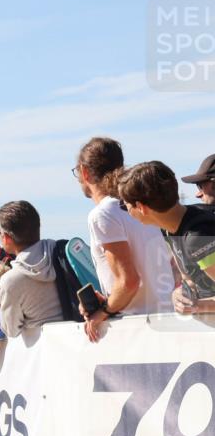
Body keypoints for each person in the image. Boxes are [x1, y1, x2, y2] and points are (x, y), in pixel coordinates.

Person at [74, 138, 174, 342]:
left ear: (84, 172)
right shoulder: (139, 207)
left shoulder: (102, 214)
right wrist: (108, 301)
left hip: (135, 330)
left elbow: (129, 282)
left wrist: (103, 310)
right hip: (165, 320)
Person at [119, 161, 215, 314]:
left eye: (125, 206)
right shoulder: (170, 229)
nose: (127, 212)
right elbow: (190, 279)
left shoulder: (197, 236)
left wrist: (198, 306)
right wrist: (179, 293)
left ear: (141, 208)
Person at [0, 200, 64, 336]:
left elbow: (11, 331)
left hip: (43, 346)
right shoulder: (63, 252)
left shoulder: (10, 281)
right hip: (85, 338)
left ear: (7, 237)